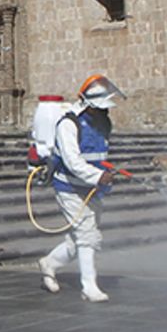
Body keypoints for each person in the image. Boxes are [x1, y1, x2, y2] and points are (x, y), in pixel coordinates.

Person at [37, 74, 125, 303]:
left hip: (92, 187)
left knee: (79, 238)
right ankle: (89, 286)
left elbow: (97, 153)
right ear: (88, 105)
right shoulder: (68, 124)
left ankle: (49, 263)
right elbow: (73, 161)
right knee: (87, 235)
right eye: (100, 107)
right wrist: (98, 176)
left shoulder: (102, 123)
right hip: (69, 187)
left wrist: (106, 172)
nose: (105, 112)